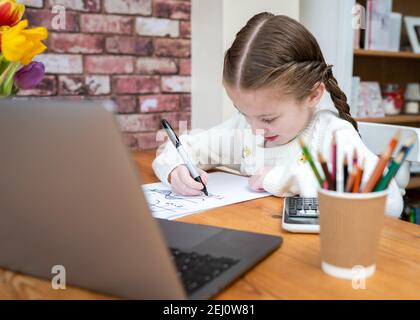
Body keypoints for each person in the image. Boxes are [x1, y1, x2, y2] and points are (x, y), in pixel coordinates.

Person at [152, 13, 403, 217]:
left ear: (313, 95)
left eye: (268, 119)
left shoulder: (331, 135)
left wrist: (282, 178)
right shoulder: (245, 129)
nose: (254, 129)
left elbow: (389, 203)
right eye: (244, 113)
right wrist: (175, 170)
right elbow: (178, 148)